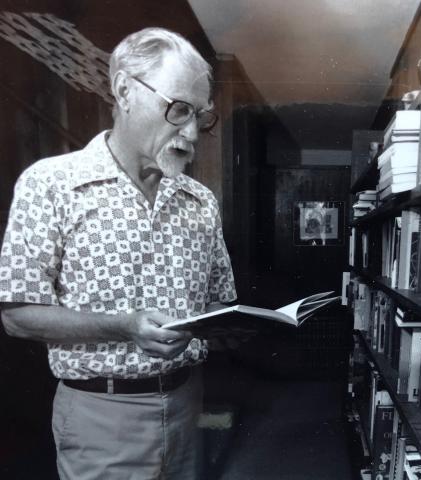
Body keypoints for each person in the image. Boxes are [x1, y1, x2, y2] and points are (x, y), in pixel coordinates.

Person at [0, 27, 237, 480]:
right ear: (125, 90)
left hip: (189, 408)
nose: (191, 132)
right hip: (99, 418)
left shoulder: (200, 201)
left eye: (200, 117)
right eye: (179, 109)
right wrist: (123, 327)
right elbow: (16, 315)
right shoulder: (50, 185)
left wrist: (234, 324)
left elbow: (218, 302)